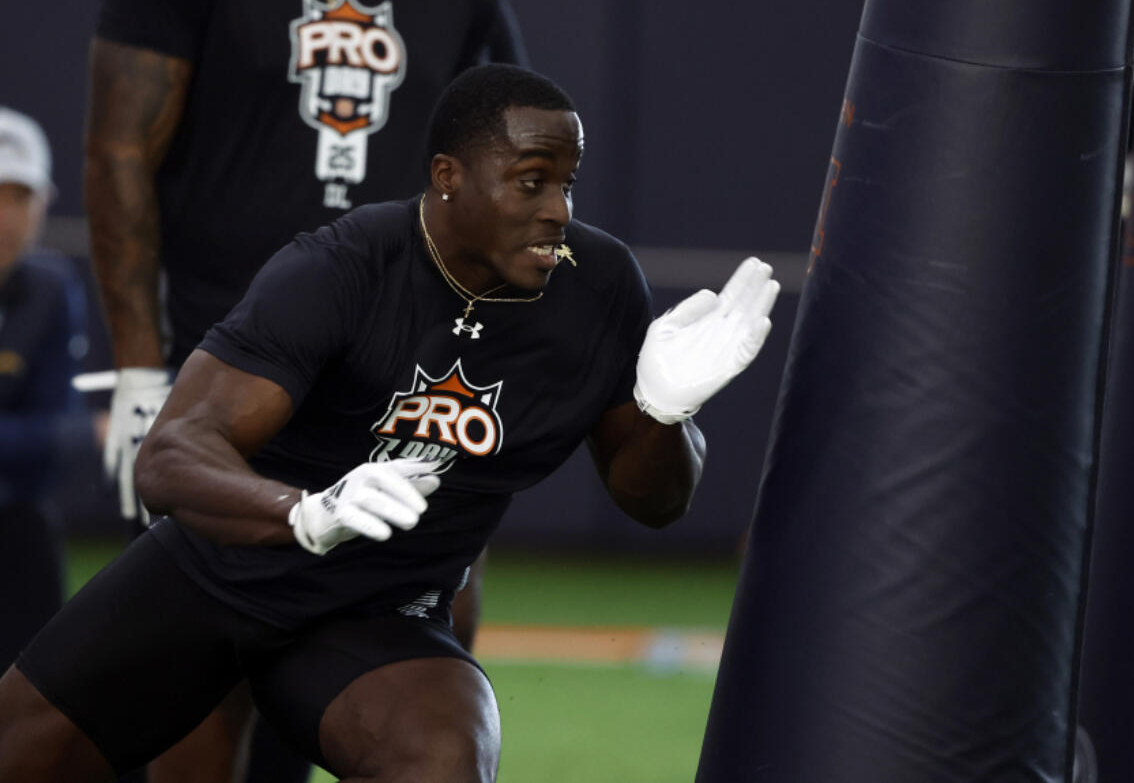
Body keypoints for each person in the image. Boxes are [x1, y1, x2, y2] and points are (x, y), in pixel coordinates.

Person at [0, 64, 780, 782]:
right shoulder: (344, 266)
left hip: (380, 610)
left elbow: (652, 499)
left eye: (568, 183)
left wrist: (665, 412)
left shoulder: (597, 287)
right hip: (215, 577)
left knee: (441, 757)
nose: (558, 211)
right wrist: (304, 511)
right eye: (531, 181)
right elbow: (168, 457)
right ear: (448, 177)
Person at [85, 0, 526, 779]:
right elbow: (119, 152)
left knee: (420, 680)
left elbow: (509, 158)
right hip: (228, 373)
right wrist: (140, 374)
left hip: (404, 376)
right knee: (195, 687)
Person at [0, 108, 92, 672]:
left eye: (19, 196)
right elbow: (70, 432)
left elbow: (63, 438)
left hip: (18, 519)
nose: (6, 216)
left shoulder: (50, 289)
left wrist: (74, 434)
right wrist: (81, 432)